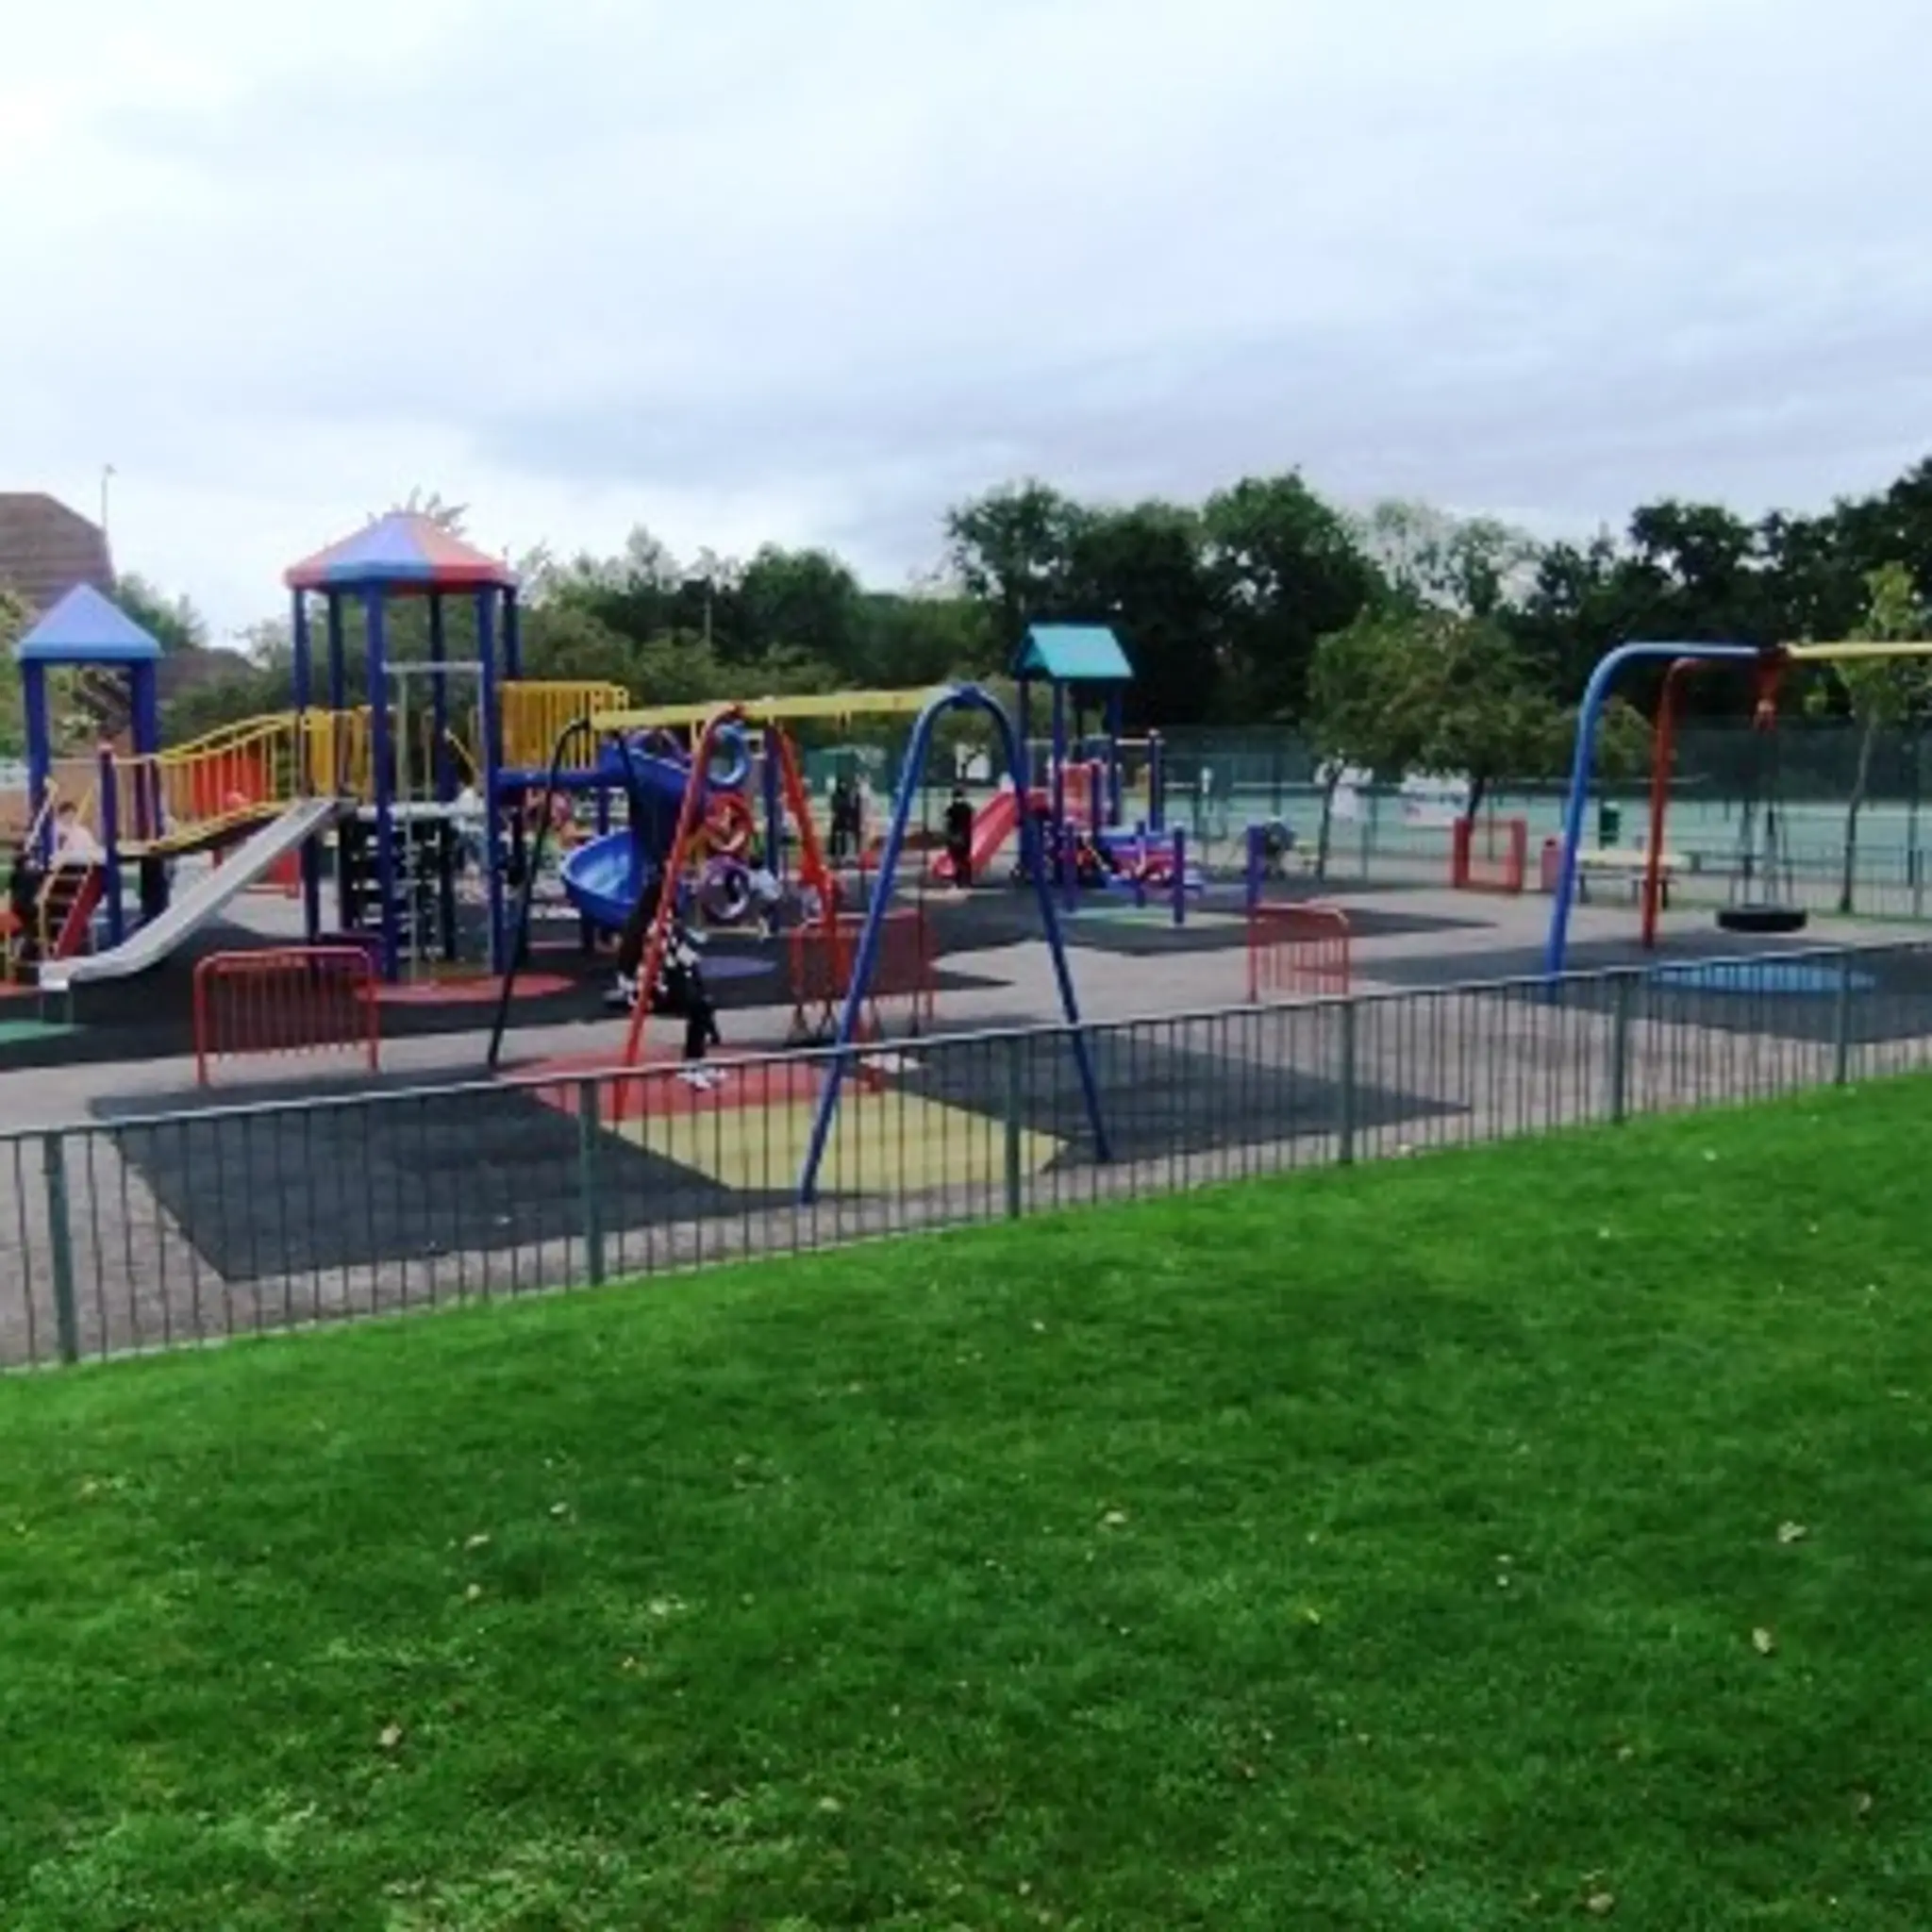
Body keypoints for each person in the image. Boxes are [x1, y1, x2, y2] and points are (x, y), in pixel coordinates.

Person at [943, 786, 975, 888]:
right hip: (965, 836)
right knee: (964, 858)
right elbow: (969, 822)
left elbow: (948, 823)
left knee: (957, 858)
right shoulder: (967, 808)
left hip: (955, 835)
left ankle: (959, 879)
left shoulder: (951, 809)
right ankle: (967, 879)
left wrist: (948, 835)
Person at [52, 804, 102, 869]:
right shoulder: (53, 831)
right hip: (59, 864)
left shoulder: (82, 831)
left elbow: (92, 848)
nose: (70, 817)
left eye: (72, 814)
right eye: (67, 814)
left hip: (80, 863)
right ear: (61, 815)